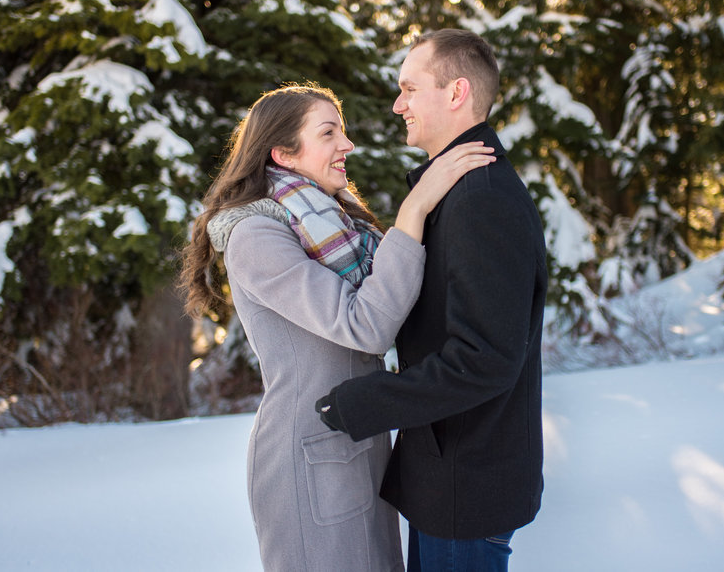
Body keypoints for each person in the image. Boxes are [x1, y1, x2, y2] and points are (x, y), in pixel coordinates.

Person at [179, 83, 495, 572]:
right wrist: (413, 212)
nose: (346, 145)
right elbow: (365, 324)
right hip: (308, 454)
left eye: (342, 131)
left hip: (356, 439)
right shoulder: (256, 236)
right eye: (329, 133)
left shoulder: (330, 222)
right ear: (282, 152)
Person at [315, 29, 548, 571]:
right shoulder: (458, 192)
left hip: (466, 485)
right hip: (448, 476)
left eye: (409, 89)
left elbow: (483, 360)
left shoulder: (481, 200)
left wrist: (365, 403)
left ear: (456, 92)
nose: (398, 105)